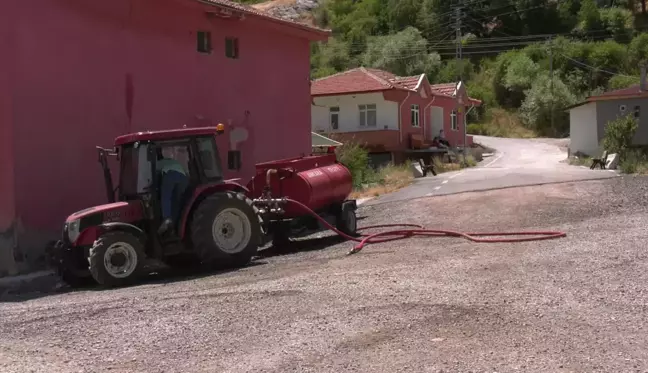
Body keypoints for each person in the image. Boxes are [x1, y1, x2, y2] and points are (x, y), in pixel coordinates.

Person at [157, 147, 189, 235]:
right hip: (183, 178)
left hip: (170, 175)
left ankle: (167, 219)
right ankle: (174, 226)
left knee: (166, 196)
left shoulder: (159, 163)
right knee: (176, 202)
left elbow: (152, 174)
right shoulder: (174, 161)